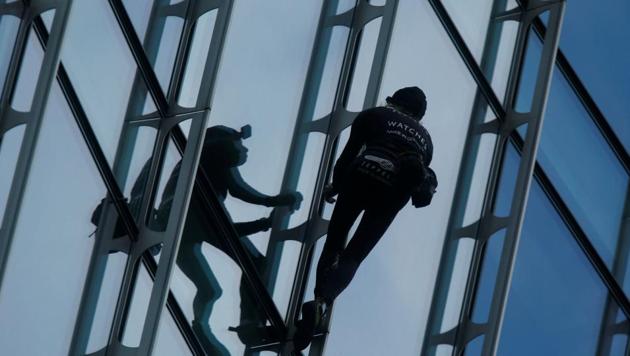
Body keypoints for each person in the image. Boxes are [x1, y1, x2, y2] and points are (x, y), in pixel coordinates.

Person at [294, 86, 437, 350]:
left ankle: (317, 299)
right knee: (354, 256)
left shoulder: (375, 115)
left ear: (394, 101)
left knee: (335, 242)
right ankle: (323, 303)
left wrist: (336, 186)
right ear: (419, 115)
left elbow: (347, 156)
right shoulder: (426, 140)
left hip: (363, 173)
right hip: (394, 194)